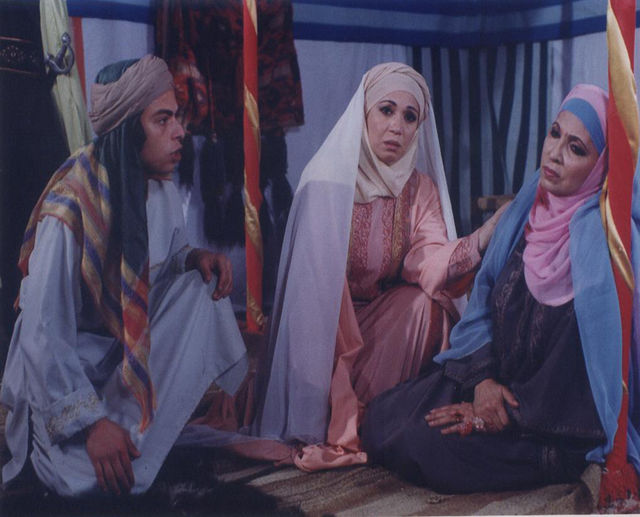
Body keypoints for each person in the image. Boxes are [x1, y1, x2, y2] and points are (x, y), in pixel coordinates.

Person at [361, 84, 640, 493]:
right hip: (494, 380)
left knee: (428, 447)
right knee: (382, 417)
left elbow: (589, 372)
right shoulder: (526, 210)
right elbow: (483, 303)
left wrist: (502, 413)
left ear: (602, 167)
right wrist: (482, 382)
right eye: (555, 133)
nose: (554, 153)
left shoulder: (604, 245)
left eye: (577, 149)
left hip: (546, 420)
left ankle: (548, 462)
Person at [237, 62, 507, 471]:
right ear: (363, 113)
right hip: (323, 330)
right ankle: (336, 415)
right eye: (386, 110)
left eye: (409, 116)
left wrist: (484, 236)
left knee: (425, 305)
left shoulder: (418, 189)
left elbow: (428, 261)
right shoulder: (326, 182)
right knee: (329, 309)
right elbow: (312, 295)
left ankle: (378, 416)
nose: (397, 126)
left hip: (378, 330)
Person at [0, 55, 248, 497]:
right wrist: (91, 424)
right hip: (64, 376)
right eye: (163, 120)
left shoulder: (159, 184)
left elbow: (159, 262)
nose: (180, 132)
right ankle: (105, 441)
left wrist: (193, 258)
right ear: (128, 130)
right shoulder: (70, 208)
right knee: (78, 482)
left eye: (177, 118)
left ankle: (133, 435)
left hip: (120, 355)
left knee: (201, 288)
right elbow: (43, 334)